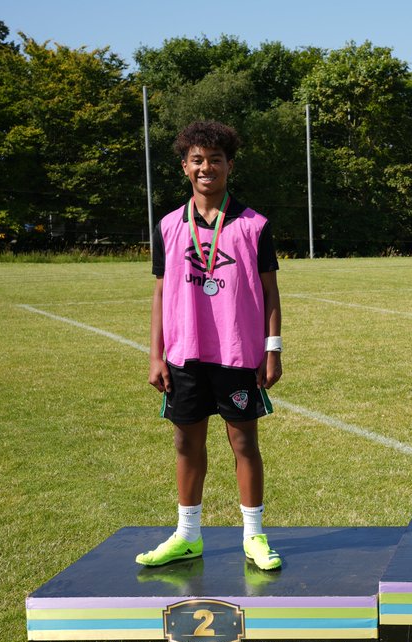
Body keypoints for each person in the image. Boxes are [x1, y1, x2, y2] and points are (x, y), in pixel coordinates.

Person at [137, 121, 284, 571]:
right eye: (197, 160)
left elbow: (270, 291)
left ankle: (254, 536)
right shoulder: (167, 226)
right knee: (186, 443)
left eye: (215, 160)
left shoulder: (253, 225)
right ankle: (187, 535)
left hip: (237, 353)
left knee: (244, 443)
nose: (206, 167)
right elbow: (161, 294)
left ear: (229, 166)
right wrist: (156, 354)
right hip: (185, 355)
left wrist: (272, 348)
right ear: (185, 167)